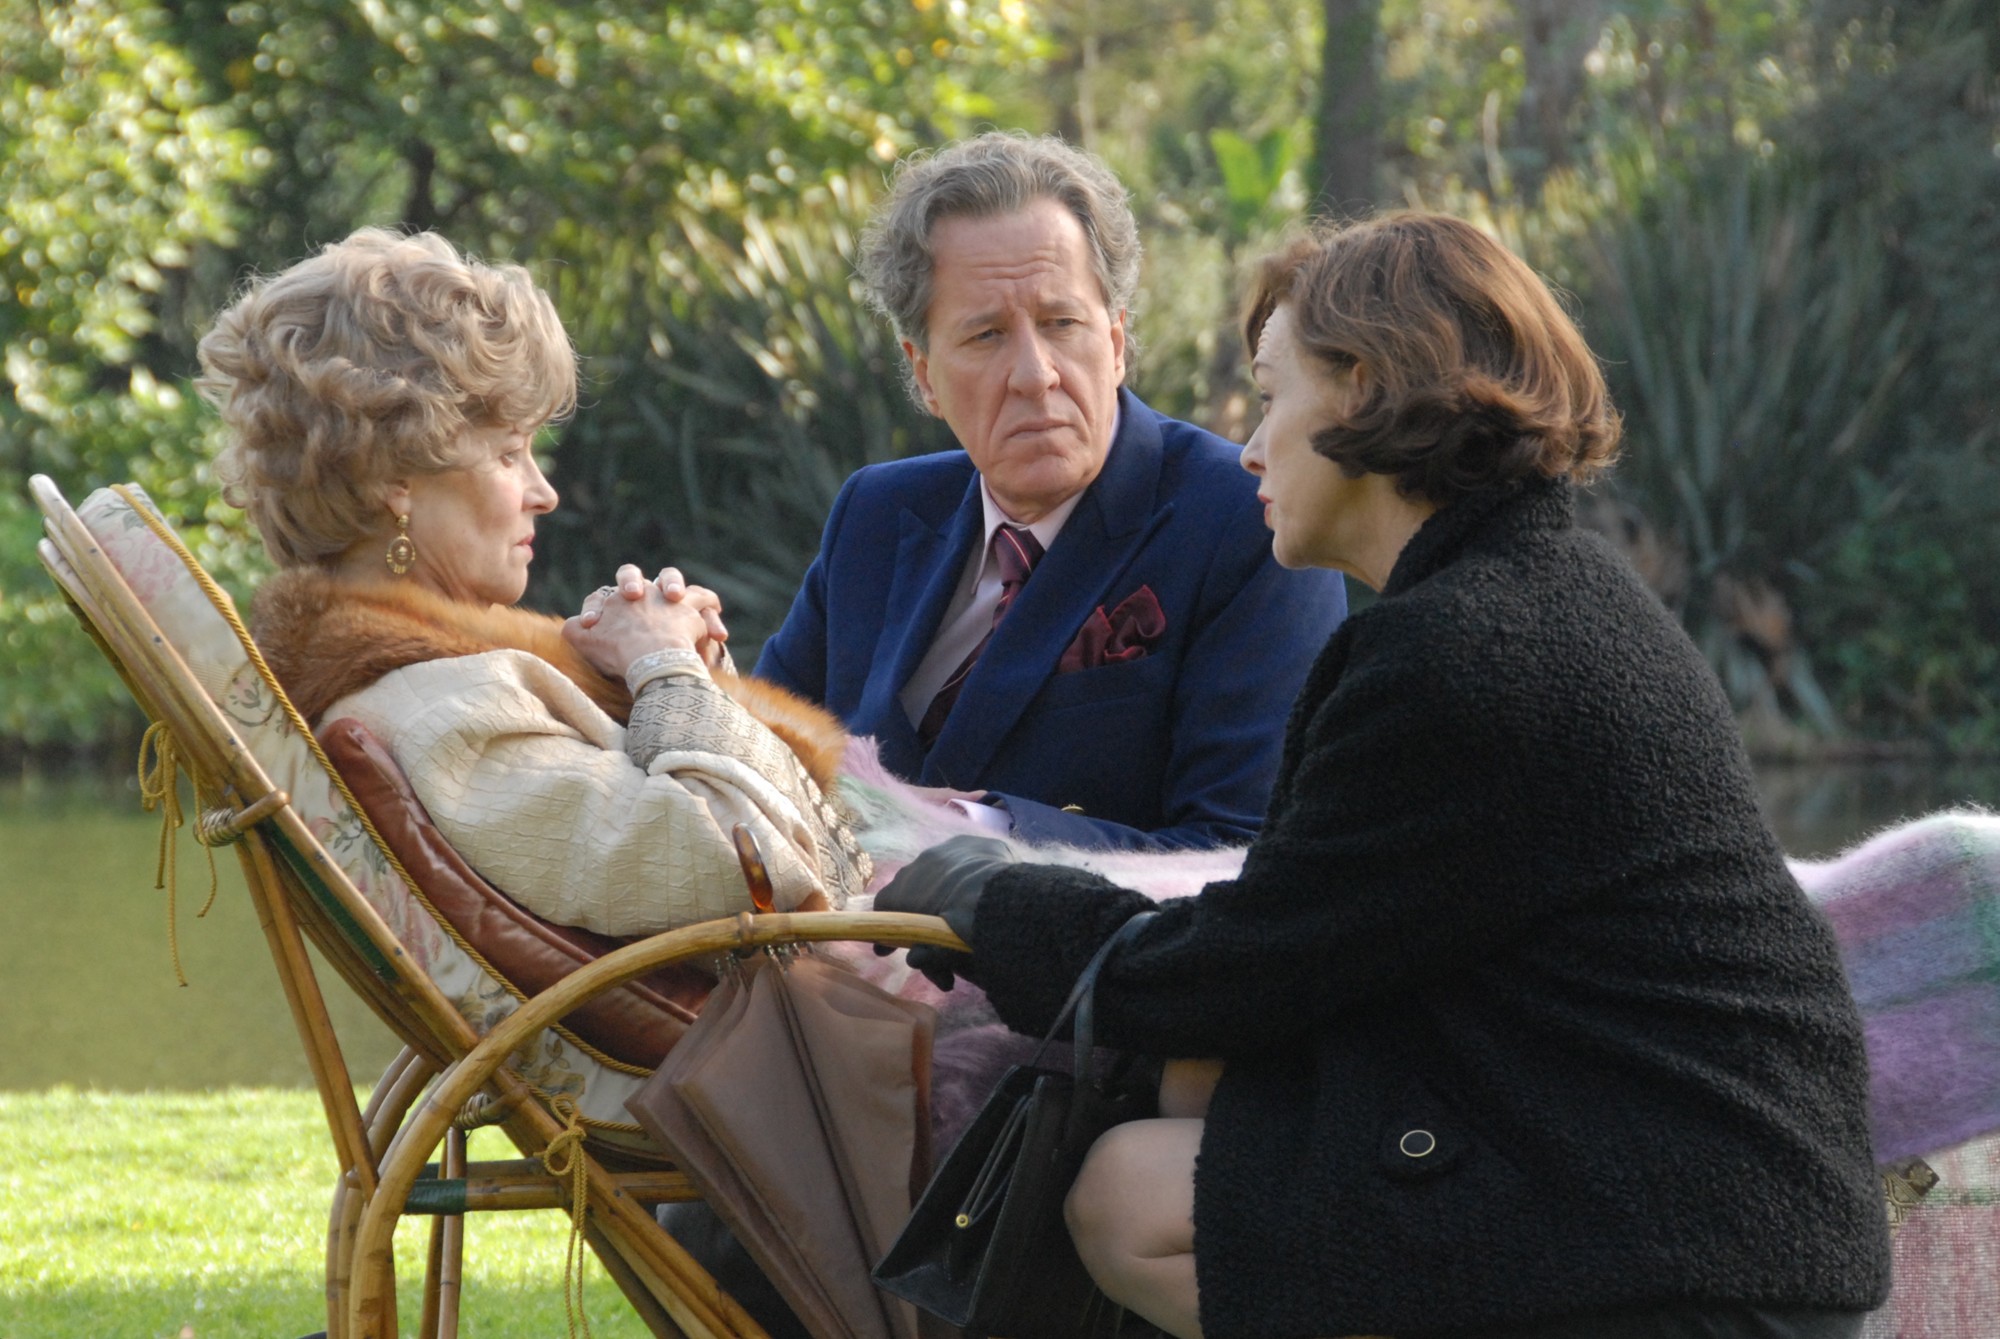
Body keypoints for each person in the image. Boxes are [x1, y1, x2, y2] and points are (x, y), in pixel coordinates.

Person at [878, 214, 1890, 1338]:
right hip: (1680, 1200)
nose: (1250, 448)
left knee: (1127, 1193)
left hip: (1688, 1270)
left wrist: (986, 893)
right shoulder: (1527, 596)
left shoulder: (1468, 654)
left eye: (1268, 397)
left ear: (1360, 389)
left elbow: (1247, 968)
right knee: (1189, 1091)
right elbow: (1300, 953)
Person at [199, 228, 870, 935]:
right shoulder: (444, 717)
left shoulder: (439, 679)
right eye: (508, 453)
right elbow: (754, 871)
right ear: (391, 479)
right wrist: (665, 672)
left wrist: (658, 669)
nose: (543, 492)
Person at [753, 132, 1345, 851]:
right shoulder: (876, 515)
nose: (1036, 374)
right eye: (986, 336)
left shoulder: (1246, 518)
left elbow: (1237, 852)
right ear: (924, 374)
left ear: (1118, 341)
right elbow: (764, 763)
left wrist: (974, 830)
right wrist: (671, 661)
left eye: (1062, 323)